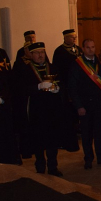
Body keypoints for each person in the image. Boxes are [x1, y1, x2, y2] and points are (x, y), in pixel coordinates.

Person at [14, 42, 65, 176]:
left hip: (52, 109)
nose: (40, 55)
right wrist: (37, 87)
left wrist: (57, 89)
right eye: (36, 53)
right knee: (38, 139)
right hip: (36, 110)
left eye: (42, 52)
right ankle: (40, 166)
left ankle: (53, 167)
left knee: (52, 139)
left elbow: (62, 83)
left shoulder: (53, 68)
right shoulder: (25, 70)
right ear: (31, 55)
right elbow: (21, 89)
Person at [67, 38, 101, 169]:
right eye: (88, 47)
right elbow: (72, 87)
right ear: (83, 49)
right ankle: (88, 158)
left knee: (99, 133)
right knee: (86, 134)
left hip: (99, 104)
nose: (91, 49)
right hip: (85, 105)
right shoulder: (77, 64)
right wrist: (79, 106)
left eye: (93, 47)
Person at [52, 29, 83, 152]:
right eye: (71, 37)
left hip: (79, 84)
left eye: (75, 37)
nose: (74, 39)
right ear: (65, 38)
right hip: (66, 84)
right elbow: (56, 69)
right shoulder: (59, 51)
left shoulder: (79, 49)